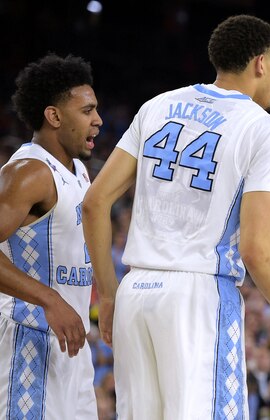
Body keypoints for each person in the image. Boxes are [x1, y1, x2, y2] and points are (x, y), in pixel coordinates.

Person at [82, 14, 270, 419]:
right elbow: (255, 249)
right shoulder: (265, 129)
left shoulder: (157, 106)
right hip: (197, 296)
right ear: (259, 63)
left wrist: (110, 293)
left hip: (134, 291)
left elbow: (94, 202)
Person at [0, 53, 102, 419]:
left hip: (71, 345)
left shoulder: (78, 172)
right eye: (87, 111)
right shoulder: (29, 172)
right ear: (54, 116)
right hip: (28, 338)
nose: (98, 120)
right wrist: (50, 300)